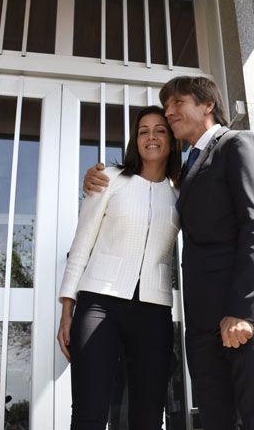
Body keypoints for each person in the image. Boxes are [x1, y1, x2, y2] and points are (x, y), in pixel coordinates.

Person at [84, 76, 254, 429]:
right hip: (203, 327)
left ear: (207, 104)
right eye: (167, 106)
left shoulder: (239, 145)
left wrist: (242, 310)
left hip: (242, 318)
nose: (170, 112)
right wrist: (96, 179)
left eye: (177, 103)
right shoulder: (188, 170)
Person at [58, 105, 182, 430]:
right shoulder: (109, 179)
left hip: (154, 312)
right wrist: (67, 309)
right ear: (134, 139)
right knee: (89, 412)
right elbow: (81, 244)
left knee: (149, 416)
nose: (151, 137)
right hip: (99, 304)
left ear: (171, 140)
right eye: (143, 131)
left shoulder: (180, 194)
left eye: (160, 130)